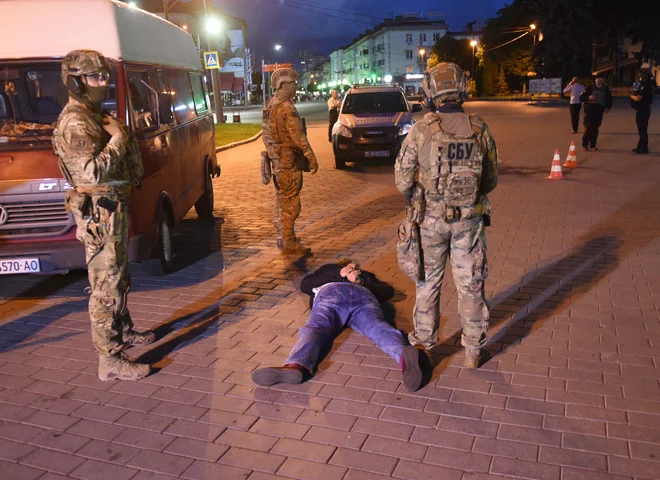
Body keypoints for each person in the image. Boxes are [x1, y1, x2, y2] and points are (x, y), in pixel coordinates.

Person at [52, 50, 154, 381]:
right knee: (105, 286)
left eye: (105, 76)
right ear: (75, 82)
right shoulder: (77, 121)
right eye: (96, 77)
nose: (104, 83)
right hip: (100, 214)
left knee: (118, 279)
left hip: (113, 209)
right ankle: (109, 360)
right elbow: (92, 174)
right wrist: (119, 140)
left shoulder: (94, 114)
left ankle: (123, 333)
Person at [395, 62, 498, 368]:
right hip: (468, 221)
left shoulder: (421, 130)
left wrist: (418, 193)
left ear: (431, 92)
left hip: (430, 221)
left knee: (428, 283)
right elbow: (491, 178)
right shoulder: (480, 127)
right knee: (471, 284)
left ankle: (425, 344)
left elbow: (402, 180)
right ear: (462, 88)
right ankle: (474, 350)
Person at [251, 260, 423, 391]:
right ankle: (403, 355)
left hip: (353, 296)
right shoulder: (328, 270)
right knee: (377, 328)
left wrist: (361, 281)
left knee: (316, 329)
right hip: (340, 294)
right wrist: (340, 274)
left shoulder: (364, 275)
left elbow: (388, 292)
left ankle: (297, 364)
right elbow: (306, 285)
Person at [262, 68, 318, 255]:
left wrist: (273, 153)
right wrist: (310, 156)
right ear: (283, 85)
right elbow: (297, 135)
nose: (295, 86)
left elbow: (266, 134)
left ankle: (284, 236)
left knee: (282, 198)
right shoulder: (286, 106)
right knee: (291, 201)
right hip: (288, 160)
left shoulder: (270, 104)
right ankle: (289, 241)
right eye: (293, 83)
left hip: (277, 160)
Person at [579, 75, 613, 151]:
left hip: (599, 110)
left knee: (595, 128)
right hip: (589, 109)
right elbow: (581, 98)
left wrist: (608, 107)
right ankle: (585, 144)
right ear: (595, 80)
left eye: (601, 78)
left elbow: (609, 99)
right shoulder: (590, 88)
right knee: (588, 127)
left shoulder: (606, 89)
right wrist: (588, 98)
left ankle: (593, 145)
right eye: (598, 78)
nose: (600, 80)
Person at [630, 70, 654, 154]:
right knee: (641, 129)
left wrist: (632, 96)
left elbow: (638, 98)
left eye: (640, 77)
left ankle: (643, 148)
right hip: (643, 109)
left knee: (642, 129)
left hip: (643, 109)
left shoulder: (645, 85)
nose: (639, 78)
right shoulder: (647, 84)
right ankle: (640, 146)